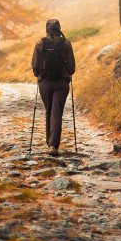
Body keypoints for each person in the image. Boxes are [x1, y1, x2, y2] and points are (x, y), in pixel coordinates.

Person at [31, 18, 76, 155]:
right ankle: (53, 145)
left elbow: (35, 67)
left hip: (44, 83)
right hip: (61, 84)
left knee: (49, 111)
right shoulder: (66, 44)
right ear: (59, 29)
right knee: (57, 113)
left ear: (47, 29)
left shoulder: (40, 44)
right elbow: (71, 68)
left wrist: (40, 75)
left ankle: (49, 143)